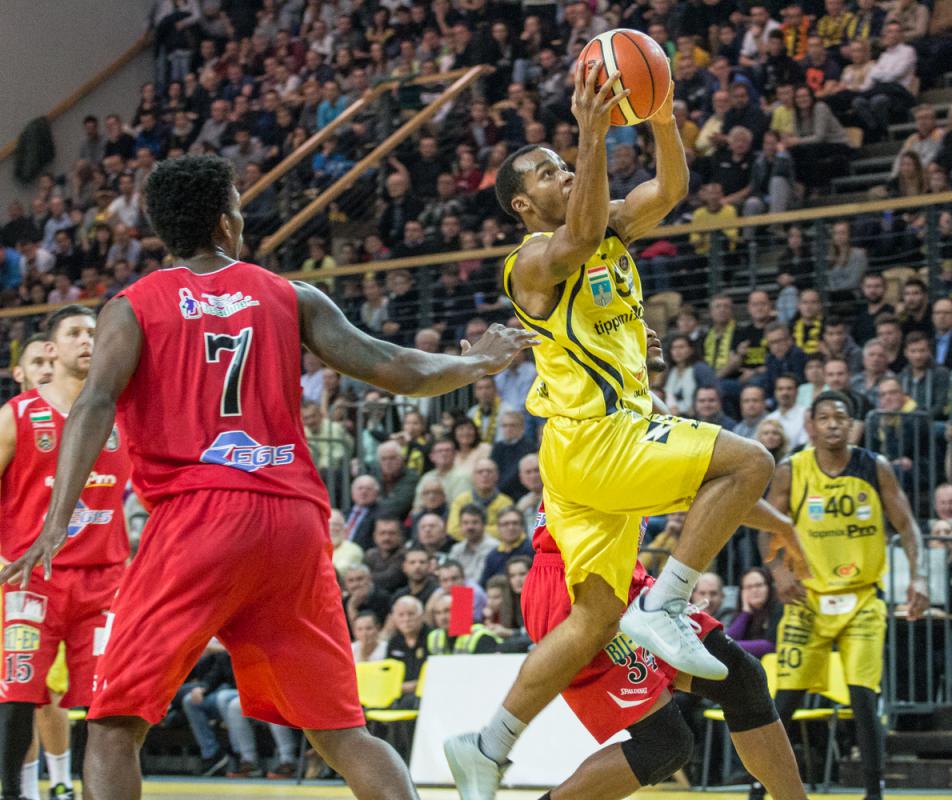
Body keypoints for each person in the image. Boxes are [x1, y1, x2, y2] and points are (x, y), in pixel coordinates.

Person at [0, 155, 535, 800]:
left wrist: (55, 521)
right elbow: (397, 367)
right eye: (238, 207)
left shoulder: (133, 305)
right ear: (224, 223)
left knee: (114, 726)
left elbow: (92, 404)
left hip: (197, 519)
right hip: (292, 520)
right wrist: (477, 363)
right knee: (341, 732)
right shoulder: (290, 295)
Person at [446, 65, 798, 796]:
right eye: (548, 171)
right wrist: (593, 132)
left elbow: (667, 190)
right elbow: (576, 235)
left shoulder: (609, 227)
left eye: (565, 164)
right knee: (750, 462)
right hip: (594, 443)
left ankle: (487, 745)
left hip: (589, 460)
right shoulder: (531, 262)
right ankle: (666, 602)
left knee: (599, 616)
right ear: (522, 205)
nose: (565, 172)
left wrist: (661, 116)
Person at [521, 494, 809, 800]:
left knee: (741, 678)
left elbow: (726, 485)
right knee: (663, 745)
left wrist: (779, 524)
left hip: (619, 572)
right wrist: (781, 525)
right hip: (576, 585)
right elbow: (728, 483)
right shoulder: (599, 463)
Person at [767, 390, 930, 800]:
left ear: (853, 425)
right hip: (807, 599)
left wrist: (920, 577)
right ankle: (759, 787)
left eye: (840, 417)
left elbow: (908, 526)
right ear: (811, 425)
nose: (833, 424)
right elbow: (767, 526)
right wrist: (777, 572)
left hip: (861, 598)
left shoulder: (875, 467)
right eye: (824, 417)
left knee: (863, 697)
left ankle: (874, 791)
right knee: (785, 699)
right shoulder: (792, 470)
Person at [0, 306, 132, 800]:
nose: (87, 340)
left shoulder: (123, 415)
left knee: (107, 702)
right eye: (75, 332)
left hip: (105, 580)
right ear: (52, 348)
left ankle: (87, 791)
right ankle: (14, 794)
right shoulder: (17, 415)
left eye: (94, 333)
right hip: (30, 577)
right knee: (17, 695)